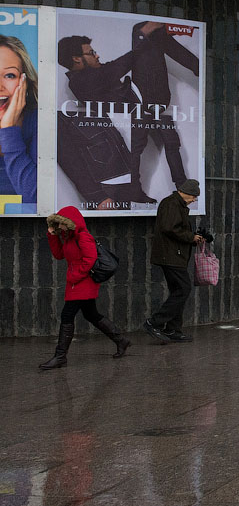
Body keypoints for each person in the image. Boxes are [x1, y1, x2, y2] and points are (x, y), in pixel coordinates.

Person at [58, 22, 198, 207]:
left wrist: (144, 37)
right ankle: (198, 66)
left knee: (171, 144)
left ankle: (180, 188)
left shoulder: (94, 72)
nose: (97, 54)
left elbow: (114, 68)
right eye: (91, 52)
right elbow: (118, 67)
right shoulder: (80, 81)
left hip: (145, 102)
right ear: (77, 59)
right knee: (143, 31)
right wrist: (141, 36)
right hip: (138, 106)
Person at [40, 206, 130, 369]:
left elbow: (90, 259)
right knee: (91, 314)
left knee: (67, 315)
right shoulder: (68, 237)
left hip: (83, 281)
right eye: (58, 224)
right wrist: (52, 235)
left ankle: (60, 357)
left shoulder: (83, 237)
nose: (60, 227)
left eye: (62, 224)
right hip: (76, 281)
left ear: (70, 223)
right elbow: (59, 255)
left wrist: (75, 276)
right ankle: (121, 340)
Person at [144, 179, 204, 343]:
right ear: (187, 193)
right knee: (183, 289)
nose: (194, 200)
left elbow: (175, 228)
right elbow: (170, 228)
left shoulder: (177, 204)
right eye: (194, 197)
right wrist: (190, 237)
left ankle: (173, 330)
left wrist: (193, 238)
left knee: (179, 290)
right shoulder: (172, 204)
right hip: (170, 255)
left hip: (174, 254)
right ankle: (154, 322)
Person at [0, 35, 38, 206]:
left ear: (25, 82)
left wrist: (9, 129)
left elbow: (37, 199)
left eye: (9, 75)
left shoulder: (40, 122)